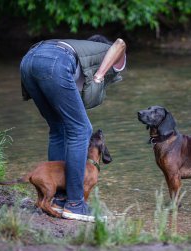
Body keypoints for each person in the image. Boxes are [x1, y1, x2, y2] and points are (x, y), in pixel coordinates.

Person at [20, 35, 126, 221]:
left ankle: (59, 199)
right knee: (82, 130)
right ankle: (76, 204)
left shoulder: (79, 56)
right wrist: (100, 76)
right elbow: (120, 44)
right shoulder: (104, 50)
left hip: (29, 61)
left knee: (58, 127)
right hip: (54, 61)